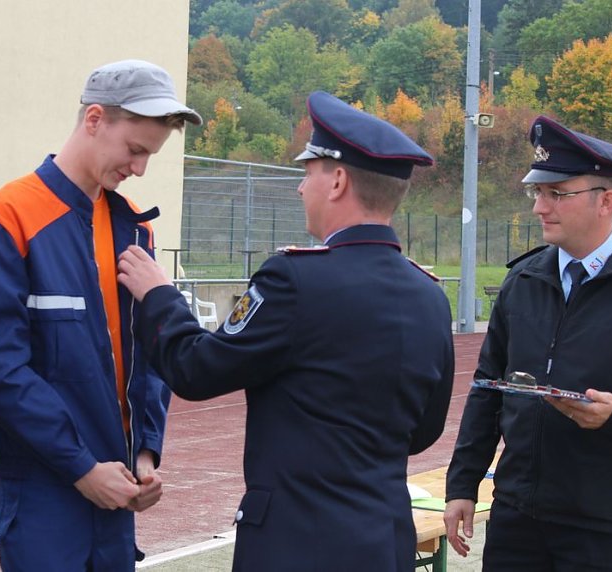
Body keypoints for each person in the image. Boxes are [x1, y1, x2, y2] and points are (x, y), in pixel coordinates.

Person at [116, 90, 455, 571]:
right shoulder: (430, 296)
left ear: (337, 180)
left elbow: (195, 369)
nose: (301, 188)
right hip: (385, 542)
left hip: (295, 545)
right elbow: (423, 430)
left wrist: (159, 296)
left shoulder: (294, 280)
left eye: (308, 172)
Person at [0, 59, 201, 571]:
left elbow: (149, 356)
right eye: (135, 151)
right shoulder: (8, 218)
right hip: (45, 487)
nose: (139, 168)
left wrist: (144, 453)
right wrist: (81, 467)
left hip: (116, 484)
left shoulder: (134, 228)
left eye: (150, 156)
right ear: (94, 120)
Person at [444, 116, 612, 571]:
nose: (540, 207)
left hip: (608, 528)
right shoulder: (524, 280)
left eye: (557, 194)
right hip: (518, 519)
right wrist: (463, 484)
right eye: (537, 193)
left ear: (607, 201)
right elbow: (486, 389)